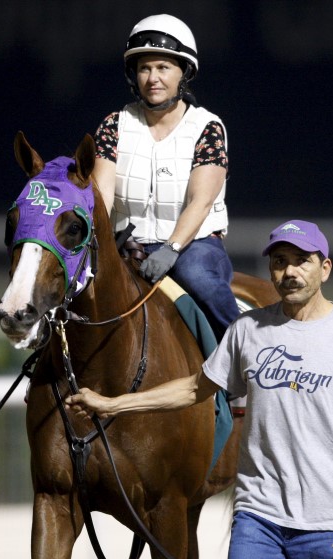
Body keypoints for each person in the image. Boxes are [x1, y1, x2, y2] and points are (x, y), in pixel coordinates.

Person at [66, 220, 333, 559]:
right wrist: (112, 404)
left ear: (325, 269)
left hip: (328, 523)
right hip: (258, 519)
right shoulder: (247, 329)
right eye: (280, 261)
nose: (290, 271)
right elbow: (194, 389)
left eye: (301, 260)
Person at [92, 13, 239, 341]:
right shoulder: (113, 125)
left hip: (192, 246)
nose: (152, 78)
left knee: (199, 278)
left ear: (183, 73)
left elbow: (201, 202)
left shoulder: (207, 128)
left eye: (163, 68)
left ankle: (246, 357)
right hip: (124, 246)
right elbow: (100, 197)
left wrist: (171, 249)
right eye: (144, 68)